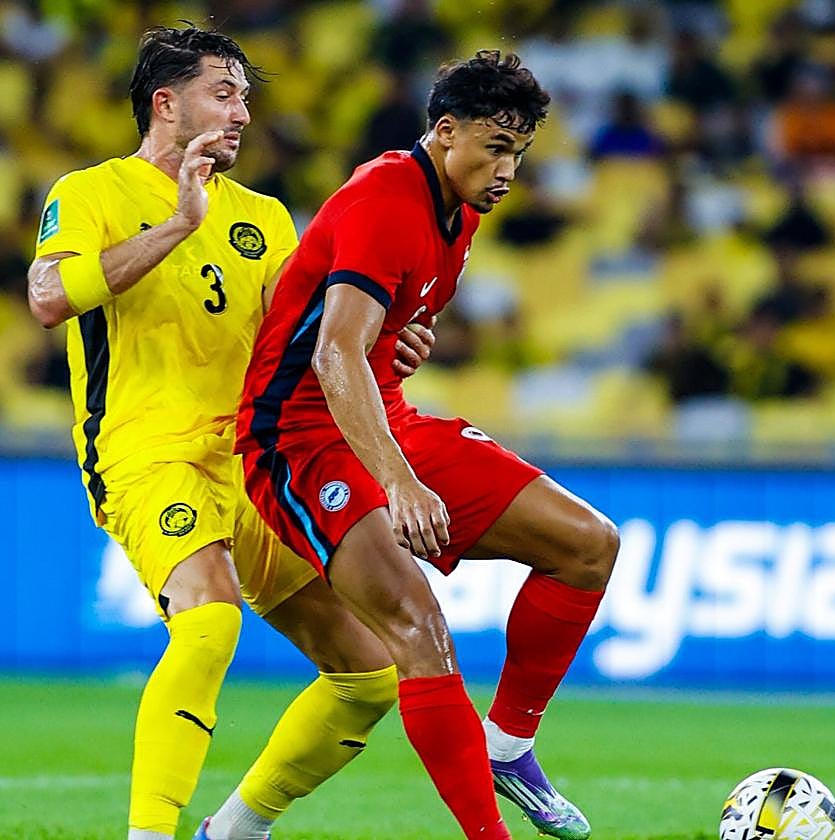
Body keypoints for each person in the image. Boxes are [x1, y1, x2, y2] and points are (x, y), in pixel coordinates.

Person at [27, 25, 436, 840]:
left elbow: (302, 338)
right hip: (146, 453)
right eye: (225, 92)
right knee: (210, 619)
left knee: (373, 674)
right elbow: (47, 297)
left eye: (247, 95)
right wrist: (178, 224)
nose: (243, 110)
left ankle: (236, 828)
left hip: (251, 462)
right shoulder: (93, 191)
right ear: (165, 103)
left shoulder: (264, 216)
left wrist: (381, 342)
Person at [237, 50, 620, 840]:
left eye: (519, 152)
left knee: (587, 545)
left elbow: (365, 327)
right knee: (419, 630)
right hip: (299, 438)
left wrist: (404, 337)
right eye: (494, 147)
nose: (508, 168)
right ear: (444, 133)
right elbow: (332, 353)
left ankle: (508, 747)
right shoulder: (386, 197)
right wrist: (401, 483)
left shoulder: (463, 209)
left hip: (381, 415)